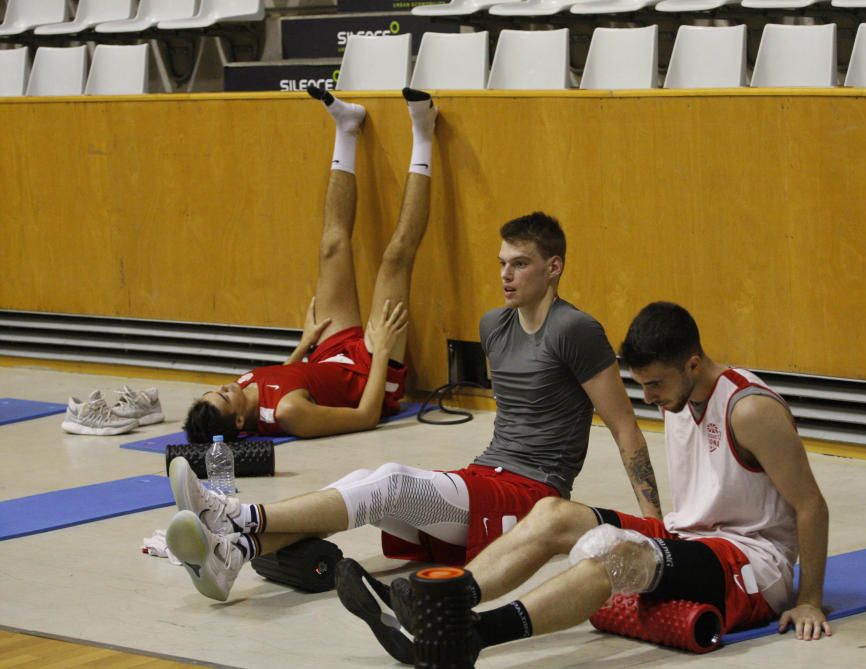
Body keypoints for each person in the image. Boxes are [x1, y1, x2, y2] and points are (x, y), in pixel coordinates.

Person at [165, 95, 662, 665]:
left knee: (391, 482)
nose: (505, 274)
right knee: (370, 480)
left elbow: (625, 429)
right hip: (485, 477)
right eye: (501, 262)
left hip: (529, 495)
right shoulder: (493, 326)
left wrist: (654, 520)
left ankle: (240, 518)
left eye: (519, 264)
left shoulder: (576, 329)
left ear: (553, 268)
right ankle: (234, 550)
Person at [345, 301, 832, 664]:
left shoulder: (750, 411)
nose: (649, 397)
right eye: (641, 384)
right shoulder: (680, 394)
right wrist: (655, 526)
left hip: (750, 563)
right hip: (694, 539)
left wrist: (808, 600)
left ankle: (471, 635)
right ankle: (448, 602)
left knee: (615, 557)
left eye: (656, 384)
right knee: (552, 513)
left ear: (694, 364)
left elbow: (811, 506)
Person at [181, 84, 432, 444]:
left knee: (332, 245)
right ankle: (424, 133)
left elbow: (275, 380)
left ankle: (347, 128)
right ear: (239, 422)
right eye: (223, 396)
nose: (224, 386)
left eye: (214, 389)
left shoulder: (243, 387)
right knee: (395, 258)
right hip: (371, 373)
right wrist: (383, 352)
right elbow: (365, 416)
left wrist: (304, 344)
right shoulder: (290, 415)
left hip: (327, 356)